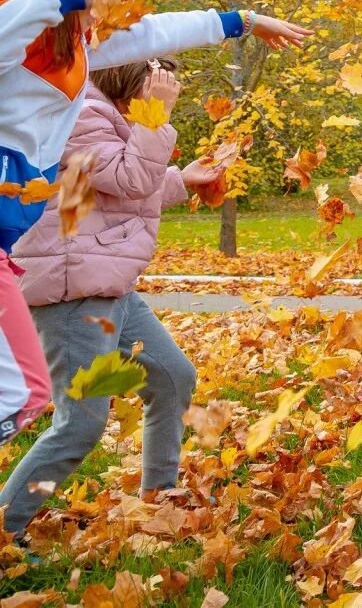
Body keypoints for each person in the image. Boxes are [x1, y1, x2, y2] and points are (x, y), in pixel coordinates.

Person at [0, 0, 306, 446]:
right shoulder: (22, 29)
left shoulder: (74, 45)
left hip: (10, 241)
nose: (124, 7)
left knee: (22, 395)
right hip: (38, 254)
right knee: (23, 394)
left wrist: (242, 20)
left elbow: (154, 32)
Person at [0, 58, 227, 538]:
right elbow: (129, 179)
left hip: (107, 283)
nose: (164, 97)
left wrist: (183, 179)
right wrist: (155, 120)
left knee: (171, 379)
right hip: (72, 291)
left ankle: (158, 500)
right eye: (158, 89)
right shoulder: (82, 113)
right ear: (133, 84)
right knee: (80, 422)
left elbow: (118, 191)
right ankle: (7, 525)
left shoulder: (107, 115)